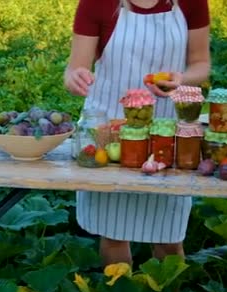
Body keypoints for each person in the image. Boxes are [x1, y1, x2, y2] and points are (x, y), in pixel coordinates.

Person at [64, 0, 211, 265]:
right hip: (110, 130)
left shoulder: (191, 2)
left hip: (164, 129)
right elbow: (75, 68)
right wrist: (75, 78)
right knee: (113, 235)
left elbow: (201, 63)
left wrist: (182, 79)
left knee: (169, 236)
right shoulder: (96, 3)